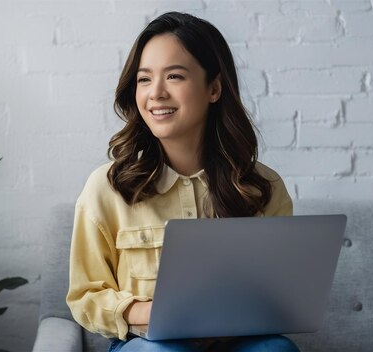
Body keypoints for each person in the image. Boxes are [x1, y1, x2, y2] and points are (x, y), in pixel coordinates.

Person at [66, 11, 299, 352]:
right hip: (150, 345)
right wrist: (154, 314)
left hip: (238, 342)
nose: (156, 93)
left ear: (214, 88)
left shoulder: (263, 186)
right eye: (144, 79)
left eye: (174, 76)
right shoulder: (106, 187)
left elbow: (284, 291)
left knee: (277, 350)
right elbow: (85, 297)